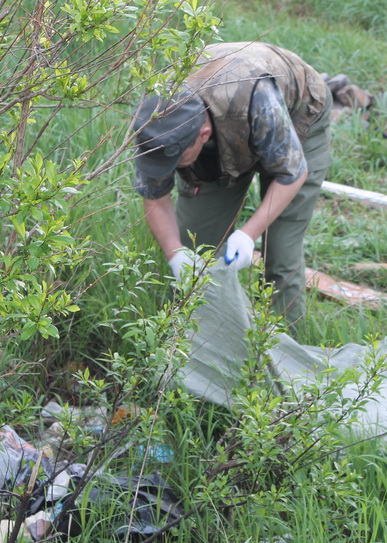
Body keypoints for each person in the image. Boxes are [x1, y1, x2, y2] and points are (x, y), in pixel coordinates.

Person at [130, 41, 332, 332]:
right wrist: (175, 254)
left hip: (296, 112)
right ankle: (193, 341)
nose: (169, 170)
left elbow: (292, 173)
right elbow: (154, 197)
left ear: (203, 135)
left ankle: (282, 347)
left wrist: (248, 234)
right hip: (224, 128)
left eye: (176, 162)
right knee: (195, 245)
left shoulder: (257, 100)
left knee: (281, 255)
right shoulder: (156, 123)